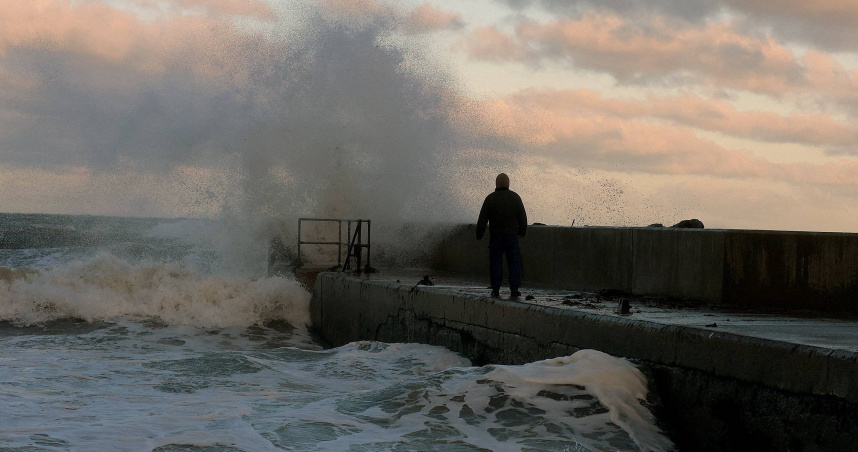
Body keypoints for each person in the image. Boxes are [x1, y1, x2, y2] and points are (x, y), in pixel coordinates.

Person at [476, 173, 527, 298]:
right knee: (514, 262)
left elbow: (482, 219)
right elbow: (523, 217)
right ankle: (514, 289)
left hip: (496, 237)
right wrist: (522, 231)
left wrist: (479, 234)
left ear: (496, 183)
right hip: (511, 237)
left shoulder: (490, 198)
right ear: (508, 183)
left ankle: (496, 289)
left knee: (496, 263)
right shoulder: (515, 198)